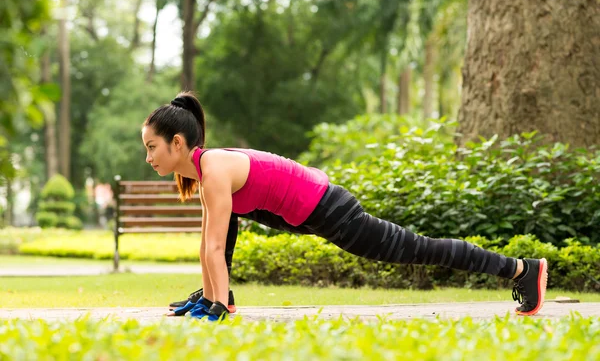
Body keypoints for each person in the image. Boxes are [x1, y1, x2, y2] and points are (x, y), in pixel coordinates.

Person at [142, 92, 548, 321]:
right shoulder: (204, 170)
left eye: (152, 147)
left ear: (177, 142)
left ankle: (521, 269)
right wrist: (214, 296)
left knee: (415, 248)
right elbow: (214, 238)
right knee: (227, 225)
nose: (149, 158)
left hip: (330, 210)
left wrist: (217, 307)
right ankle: (221, 294)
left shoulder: (211, 169)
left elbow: (214, 248)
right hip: (313, 210)